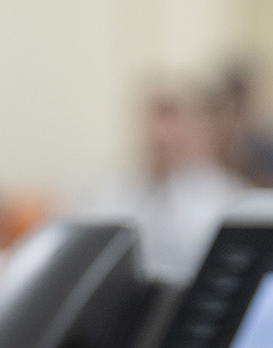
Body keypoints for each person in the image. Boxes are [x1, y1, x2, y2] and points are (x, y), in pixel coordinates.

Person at [87, 85, 243, 283]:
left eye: (175, 119)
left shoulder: (228, 200)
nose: (163, 134)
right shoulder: (116, 190)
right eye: (158, 118)